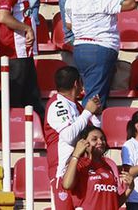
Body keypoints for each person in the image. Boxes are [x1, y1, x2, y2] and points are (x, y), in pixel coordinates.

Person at [65, 0, 135, 106]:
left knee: (93, 92)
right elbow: (131, 3)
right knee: (94, 99)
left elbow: (69, 25)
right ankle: (88, 127)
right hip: (101, 49)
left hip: (80, 49)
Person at [44, 66, 102, 208]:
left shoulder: (76, 105)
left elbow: (96, 131)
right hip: (63, 171)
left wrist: (95, 113)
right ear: (77, 83)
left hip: (80, 169)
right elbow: (69, 136)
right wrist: (88, 112)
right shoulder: (57, 104)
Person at [0, 0, 39, 116]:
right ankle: (12, 135)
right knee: (16, 98)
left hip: (17, 51)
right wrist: (27, 29)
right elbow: (3, 16)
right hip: (15, 50)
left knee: (28, 97)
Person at [62, 125, 133, 209]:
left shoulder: (110, 165)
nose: (100, 142)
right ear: (84, 143)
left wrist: (130, 188)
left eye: (102, 139)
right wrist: (76, 155)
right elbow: (66, 185)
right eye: (94, 139)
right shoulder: (79, 163)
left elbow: (115, 203)